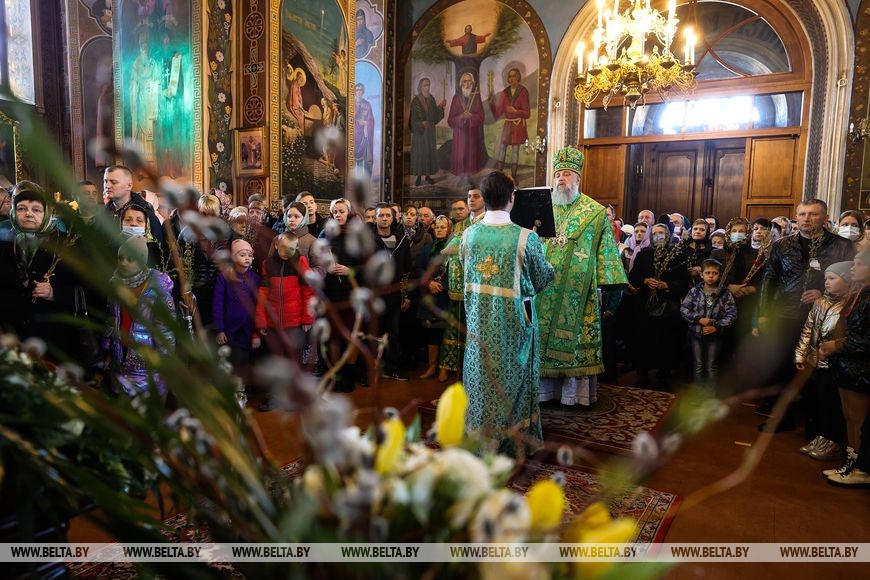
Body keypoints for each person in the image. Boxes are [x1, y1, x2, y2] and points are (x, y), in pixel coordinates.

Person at [461, 171, 554, 455]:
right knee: (513, 376)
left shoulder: (469, 234)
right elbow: (543, 279)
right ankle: (511, 444)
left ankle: (478, 439)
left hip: (478, 321)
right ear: (512, 198)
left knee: (480, 378)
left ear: (484, 199)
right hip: (515, 324)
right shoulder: (526, 238)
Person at [536, 147, 627, 406]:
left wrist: (608, 284)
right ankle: (543, 392)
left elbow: (606, 250)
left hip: (578, 291)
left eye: (567, 174)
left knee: (574, 343)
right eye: (557, 175)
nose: (561, 179)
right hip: (543, 287)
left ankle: (572, 396)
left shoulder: (595, 212)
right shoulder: (542, 209)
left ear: (578, 178)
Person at [755, 199, 855, 430]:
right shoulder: (782, 245)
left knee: (816, 371)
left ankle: (816, 423)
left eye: (813, 214)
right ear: (796, 217)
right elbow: (768, 279)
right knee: (782, 367)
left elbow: (851, 281)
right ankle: (782, 417)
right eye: (802, 214)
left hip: (824, 316)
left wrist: (823, 292)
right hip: (784, 314)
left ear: (825, 218)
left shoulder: (841, 245)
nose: (806, 219)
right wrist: (763, 313)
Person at [0, 182, 78, 355]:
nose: (28, 214)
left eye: (36, 209)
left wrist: (54, 293)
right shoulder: (4, 243)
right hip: (10, 340)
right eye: (21, 208)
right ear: (13, 212)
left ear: (46, 213)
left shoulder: (65, 245)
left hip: (53, 342)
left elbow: (87, 290)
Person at [104, 235, 175, 400]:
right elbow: (111, 318)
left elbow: (166, 333)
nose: (123, 263)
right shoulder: (115, 285)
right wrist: (108, 348)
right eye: (120, 258)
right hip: (119, 360)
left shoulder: (158, 291)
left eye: (130, 259)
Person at [821, 250, 870, 487]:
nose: (853, 267)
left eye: (859, 264)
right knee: (850, 417)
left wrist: (837, 344)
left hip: (862, 368)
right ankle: (850, 463)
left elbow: (866, 339)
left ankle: (861, 468)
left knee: (859, 420)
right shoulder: (859, 293)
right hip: (847, 366)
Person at [794, 261, 851, 461]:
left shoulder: (849, 304)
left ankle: (833, 441)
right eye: (826, 278)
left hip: (834, 363)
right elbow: (808, 329)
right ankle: (821, 436)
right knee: (818, 401)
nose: (826, 282)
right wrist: (800, 354)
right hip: (815, 360)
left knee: (832, 404)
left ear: (847, 279)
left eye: (832, 278)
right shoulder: (821, 303)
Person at [255, 233, 314, 410]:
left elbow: (308, 291)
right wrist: (261, 320)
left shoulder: (301, 263)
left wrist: (307, 318)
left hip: (294, 321)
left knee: (292, 359)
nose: (286, 252)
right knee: (276, 359)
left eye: (290, 249)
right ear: (276, 245)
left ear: (296, 248)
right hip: (273, 322)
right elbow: (263, 293)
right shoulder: (267, 264)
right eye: (282, 248)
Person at [629, 223, 691, 389]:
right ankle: (642, 374)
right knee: (643, 339)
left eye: (661, 233)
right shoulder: (644, 254)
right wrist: (645, 281)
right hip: (644, 304)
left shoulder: (677, 256)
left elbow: (684, 282)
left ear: (668, 235)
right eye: (655, 233)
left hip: (667, 305)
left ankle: (663, 374)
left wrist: (667, 285)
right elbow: (633, 276)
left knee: (666, 340)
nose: (658, 236)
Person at [439, 189, 486, 382]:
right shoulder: (460, 226)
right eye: (470, 197)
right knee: (455, 327)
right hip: (459, 285)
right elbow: (447, 253)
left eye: (476, 196)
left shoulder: (488, 224)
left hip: (480, 285)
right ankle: (450, 366)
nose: (472, 200)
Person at [371, 203, 413, 382]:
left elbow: (406, 271)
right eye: (381, 216)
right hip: (374, 295)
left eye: (388, 215)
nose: (385, 219)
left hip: (394, 296)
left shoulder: (401, 240)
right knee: (373, 333)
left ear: (393, 218)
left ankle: (392, 368)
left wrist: (406, 296)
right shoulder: (369, 240)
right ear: (375, 218)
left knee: (393, 333)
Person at [214, 239, 260, 395]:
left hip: (247, 329)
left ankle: (241, 391)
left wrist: (256, 334)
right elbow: (218, 305)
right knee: (230, 362)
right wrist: (220, 329)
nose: (247, 258)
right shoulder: (224, 277)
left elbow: (258, 307)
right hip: (229, 330)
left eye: (250, 255)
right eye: (242, 254)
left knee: (244, 362)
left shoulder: (255, 278)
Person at [680, 259, 737, 386]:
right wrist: (699, 319)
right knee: (698, 364)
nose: (711, 276)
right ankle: (699, 392)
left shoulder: (725, 293)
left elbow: (732, 314)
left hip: (715, 335)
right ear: (701, 274)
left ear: (720, 275)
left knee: (711, 365)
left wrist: (716, 326)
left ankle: (710, 393)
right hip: (696, 334)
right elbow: (684, 309)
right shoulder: (695, 291)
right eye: (707, 273)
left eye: (715, 273)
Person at [417, 215, 451, 379]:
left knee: (444, 332)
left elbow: (456, 272)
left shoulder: (453, 248)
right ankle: (431, 367)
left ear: (449, 229)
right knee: (431, 333)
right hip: (429, 295)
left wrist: (442, 285)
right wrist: (429, 282)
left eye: (443, 227)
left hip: (445, 297)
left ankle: (443, 368)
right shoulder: (427, 248)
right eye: (437, 227)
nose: (439, 229)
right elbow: (418, 267)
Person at [103, 165, 163, 242]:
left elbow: (158, 248)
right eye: (105, 181)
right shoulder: (102, 214)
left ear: (129, 186)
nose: (107, 186)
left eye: (114, 182)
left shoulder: (146, 213)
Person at [489, 67, 530, 180]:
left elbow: (527, 113)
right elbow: (498, 112)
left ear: (518, 78)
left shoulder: (523, 91)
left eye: (514, 76)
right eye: (510, 76)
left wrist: (516, 111)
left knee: (515, 150)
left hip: (518, 125)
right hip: (508, 125)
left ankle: (514, 176)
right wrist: (492, 103)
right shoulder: (505, 93)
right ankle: (498, 176)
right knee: (502, 147)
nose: (511, 78)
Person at [447, 72, 486, 186]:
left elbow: (481, 116)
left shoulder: (476, 97)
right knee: (461, 154)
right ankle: (461, 176)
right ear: (461, 84)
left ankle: (468, 176)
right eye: (465, 81)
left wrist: (472, 116)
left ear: (473, 83)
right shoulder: (456, 98)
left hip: (472, 133)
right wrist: (460, 117)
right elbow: (450, 120)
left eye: (469, 81)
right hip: (460, 134)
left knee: (470, 154)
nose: (467, 83)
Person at [409, 78, 445, 186]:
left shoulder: (431, 99)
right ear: (420, 87)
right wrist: (420, 124)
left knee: (429, 154)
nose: (427, 87)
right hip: (420, 134)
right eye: (425, 85)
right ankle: (419, 177)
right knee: (420, 154)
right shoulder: (416, 101)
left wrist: (441, 107)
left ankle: (428, 176)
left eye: (428, 85)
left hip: (429, 133)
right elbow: (412, 119)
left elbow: (435, 116)